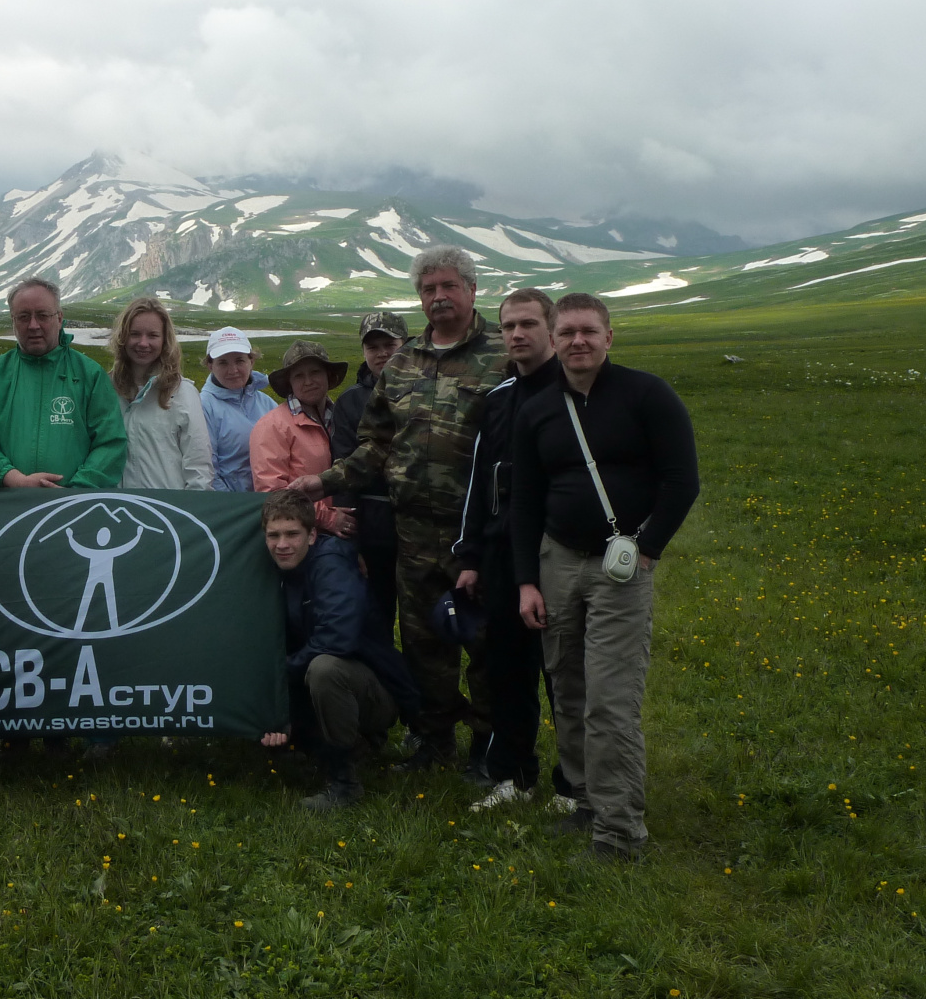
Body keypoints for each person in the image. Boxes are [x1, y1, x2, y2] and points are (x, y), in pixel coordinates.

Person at [293, 245, 508, 777]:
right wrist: (324, 481)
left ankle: (490, 747)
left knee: (487, 642)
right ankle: (435, 741)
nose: (439, 296)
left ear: (472, 289)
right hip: (412, 531)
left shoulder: (504, 355)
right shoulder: (404, 362)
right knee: (423, 643)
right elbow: (375, 445)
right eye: (428, 289)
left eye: (449, 286)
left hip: (478, 532)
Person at [512, 293, 700, 861]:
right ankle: (587, 802)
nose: (578, 342)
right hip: (557, 561)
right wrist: (526, 581)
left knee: (610, 699)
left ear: (609, 337)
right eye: (567, 332)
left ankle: (620, 831)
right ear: (554, 339)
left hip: (620, 569)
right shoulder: (537, 410)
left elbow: (681, 481)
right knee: (567, 689)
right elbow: (525, 501)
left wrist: (649, 549)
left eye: (589, 331)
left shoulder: (648, 395)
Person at [450, 289, 566, 812]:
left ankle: (575, 783)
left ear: (551, 329)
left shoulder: (573, 393)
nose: (517, 334)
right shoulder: (497, 400)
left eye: (528, 324)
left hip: (561, 550)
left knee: (565, 673)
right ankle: (514, 776)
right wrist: (469, 556)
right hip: (500, 553)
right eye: (508, 326)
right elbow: (479, 482)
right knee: (507, 669)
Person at [258, 492, 419, 811]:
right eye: (273, 536)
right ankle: (331, 745)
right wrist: (271, 715)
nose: (282, 544)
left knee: (325, 668)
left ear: (312, 535)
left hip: (372, 690)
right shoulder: (271, 570)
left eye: (292, 534)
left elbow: (336, 640)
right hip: (313, 682)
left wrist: (277, 684)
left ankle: (344, 782)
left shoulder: (332, 565)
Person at [0, 277, 127, 491]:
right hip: (6, 504)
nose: (33, 325)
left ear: (59, 318)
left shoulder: (90, 374)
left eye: (43, 315)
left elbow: (110, 443)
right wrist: (9, 477)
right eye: (23, 317)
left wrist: (77, 491)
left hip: (73, 505)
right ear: (13, 320)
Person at [330, 312, 409, 636]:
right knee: (376, 619)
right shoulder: (350, 402)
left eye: (389, 344)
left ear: (405, 344)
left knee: (426, 622)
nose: (381, 353)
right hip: (374, 527)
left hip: (422, 528)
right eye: (372, 347)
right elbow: (344, 466)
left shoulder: (429, 390)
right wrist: (352, 541)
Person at [250, 342, 356, 539]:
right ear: (289, 383)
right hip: (301, 538)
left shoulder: (342, 417)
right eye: (299, 376)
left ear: (328, 375)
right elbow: (272, 492)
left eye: (315, 372)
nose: (308, 381)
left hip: (347, 529)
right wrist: (328, 518)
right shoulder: (271, 426)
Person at [108, 297, 212, 490]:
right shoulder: (106, 389)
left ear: (165, 340)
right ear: (123, 337)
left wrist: (193, 506)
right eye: (135, 334)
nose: (143, 343)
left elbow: (199, 467)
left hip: (167, 506)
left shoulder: (183, 393)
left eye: (153, 335)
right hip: (117, 504)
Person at [199, 327, 277, 492]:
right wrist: (233, 503)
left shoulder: (267, 403)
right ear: (210, 365)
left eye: (239, 361)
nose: (233, 370)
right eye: (223, 362)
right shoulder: (203, 407)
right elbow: (206, 470)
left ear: (251, 361)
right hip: (233, 503)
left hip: (274, 498)